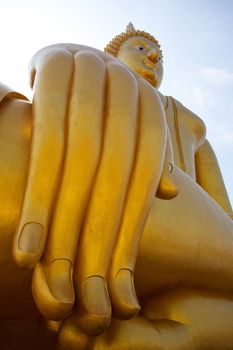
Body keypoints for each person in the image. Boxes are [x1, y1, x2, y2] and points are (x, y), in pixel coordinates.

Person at [0, 24, 233, 349]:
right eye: (139, 48)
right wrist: (62, 53)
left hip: (181, 246)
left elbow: (227, 222)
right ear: (113, 55)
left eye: (160, 57)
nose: (153, 57)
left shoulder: (192, 128)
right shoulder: (80, 86)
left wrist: (195, 334)